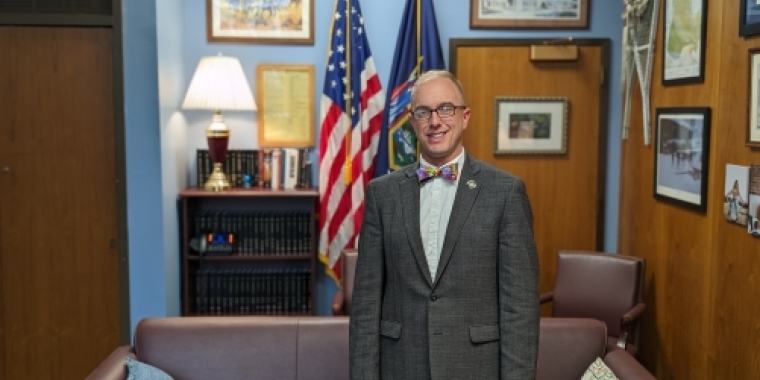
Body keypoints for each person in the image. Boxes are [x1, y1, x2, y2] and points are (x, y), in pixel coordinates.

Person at [349, 70, 540, 380]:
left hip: (477, 367)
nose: (435, 121)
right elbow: (366, 306)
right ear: (412, 122)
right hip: (400, 366)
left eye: (446, 109)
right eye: (424, 112)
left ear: (464, 117)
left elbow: (520, 309)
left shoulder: (505, 193)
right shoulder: (382, 193)